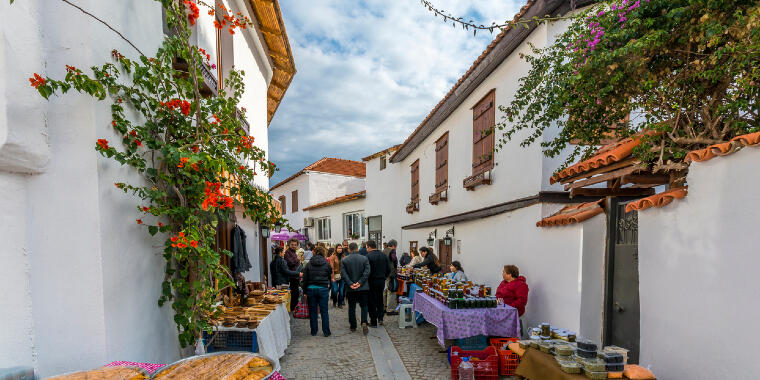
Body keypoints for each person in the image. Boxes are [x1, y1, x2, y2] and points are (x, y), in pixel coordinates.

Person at [302, 246, 333, 337]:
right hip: (323, 289)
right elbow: (329, 275)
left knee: (313, 311)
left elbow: (305, 279)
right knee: (324, 311)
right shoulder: (326, 264)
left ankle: (314, 331)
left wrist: (304, 292)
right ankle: (326, 332)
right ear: (323, 253)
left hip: (311, 289)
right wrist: (328, 288)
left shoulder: (309, 264)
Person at [340, 242, 370, 335]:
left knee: (352, 307)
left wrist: (350, 283)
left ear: (349, 249)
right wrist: (360, 282)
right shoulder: (364, 258)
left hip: (350, 288)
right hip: (363, 287)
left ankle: (353, 325)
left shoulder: (344, 260)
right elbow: (367, 272)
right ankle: (364, 322)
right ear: (357, 248)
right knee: (364, 306)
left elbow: (343, 274)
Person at [496, 265, 529, 337]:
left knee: (516, 336)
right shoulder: (503, 283)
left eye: (504, 272)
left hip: (515, 314)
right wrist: (498, 301)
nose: (502, 274)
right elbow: (498, 294)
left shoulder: (521, 285)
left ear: (509, 274)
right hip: (503, 312)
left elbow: (522, 301)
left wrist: (508, 307)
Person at [366, 240, 391, 327]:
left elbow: (367, 270)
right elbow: (389, 269)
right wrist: (384, 277)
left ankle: (373, 322)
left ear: (369, 247)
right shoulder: (384, 255)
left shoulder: (368, 256)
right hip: (381, 280)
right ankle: (380, 318)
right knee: (380, 299)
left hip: (371, 280)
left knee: (372, 300)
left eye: (366, 247)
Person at [284, 238, 302, 312]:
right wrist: (298, 259)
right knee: (294, 293)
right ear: (289, 245)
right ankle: (293, 308)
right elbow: (290, 263)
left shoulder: (294, 252)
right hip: (292, 276)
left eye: (295, 245)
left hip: (296, 276)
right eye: (292, 245)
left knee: (296, 292)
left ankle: (294, 307)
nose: (294, 246)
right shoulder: (287, 252)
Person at [384, 239, 399, 315]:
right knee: (391, 291)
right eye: (396, 246)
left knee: (385, 291)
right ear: (393, 246)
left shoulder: (384, 250)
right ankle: (390, 309)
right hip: (391, 273)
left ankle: (384, 307)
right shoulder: (392, 251)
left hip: (384, 273)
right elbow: (394, 259)